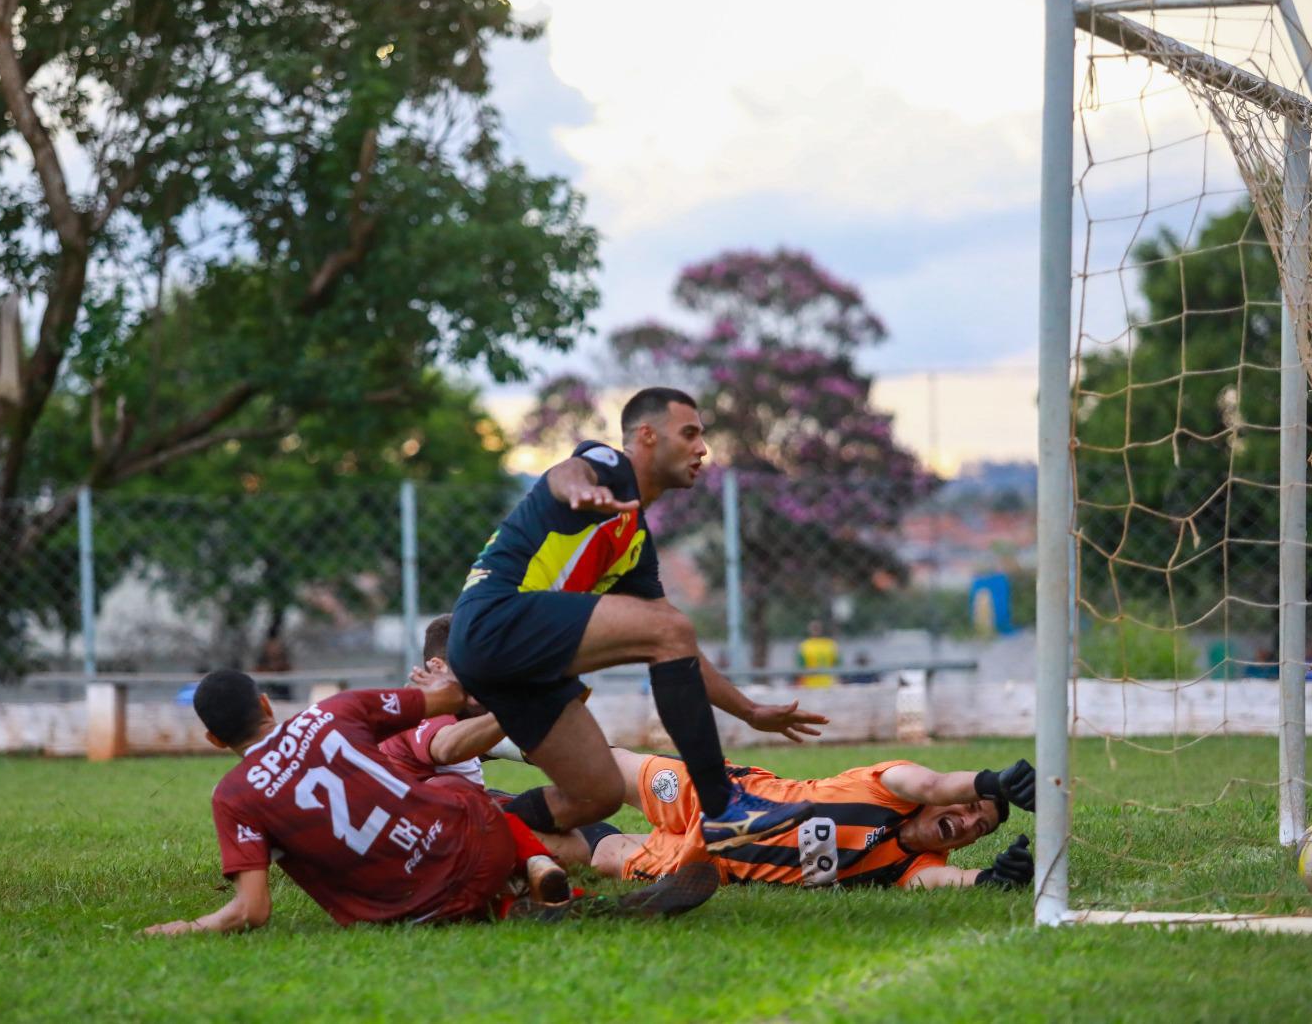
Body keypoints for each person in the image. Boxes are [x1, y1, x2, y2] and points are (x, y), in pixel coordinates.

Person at [448, 387, 828, 851]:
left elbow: (675, 643)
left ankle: (462, 829)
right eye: (689, 434)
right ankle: (722, 807)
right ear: (646, 436)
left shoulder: (634, 546)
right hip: (494, 619)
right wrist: (579, 490)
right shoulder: (608, 468)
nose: (702, 449)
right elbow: (569, 471)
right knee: (667, 629)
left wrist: (748, 711)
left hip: (520, 665)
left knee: (596, 795)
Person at [141, 665, 572, 934]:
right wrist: (445, 681)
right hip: (484, 849)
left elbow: (251, 911)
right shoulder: (336, 710)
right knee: (448, 788)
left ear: (214, 739)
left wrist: (185, 927)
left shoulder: (234, 796)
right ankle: (535, 865)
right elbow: (451, 698)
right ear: (266, 703)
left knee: (438, 866)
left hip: (414, 914)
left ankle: (514, 902)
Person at [540, 748, 1036, 892]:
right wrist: (991, 781)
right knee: (600, 769)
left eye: (981, 827)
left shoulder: (914, 864)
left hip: (708, 862)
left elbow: (946, 880)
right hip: (718, 794)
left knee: (593, 854)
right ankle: (493, 739)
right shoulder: (894, 782)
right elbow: (934, 786)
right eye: (972, 807)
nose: (970, 821)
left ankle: (487, 811)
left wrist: (992, 879)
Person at [377, 613, 508, 786]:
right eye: (474, 662)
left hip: (466, 805)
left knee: (551, 798)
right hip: (422, 808)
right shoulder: (422, 702)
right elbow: (446, 748)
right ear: (439, 667)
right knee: (449, 785)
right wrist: (513, 710)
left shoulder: (470, 704)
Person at [795, 620, 840, 688]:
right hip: (824, 685)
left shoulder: (803, 646)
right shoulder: (831, 644)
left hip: (814, 686)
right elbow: (838, 665)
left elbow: (800, 669)